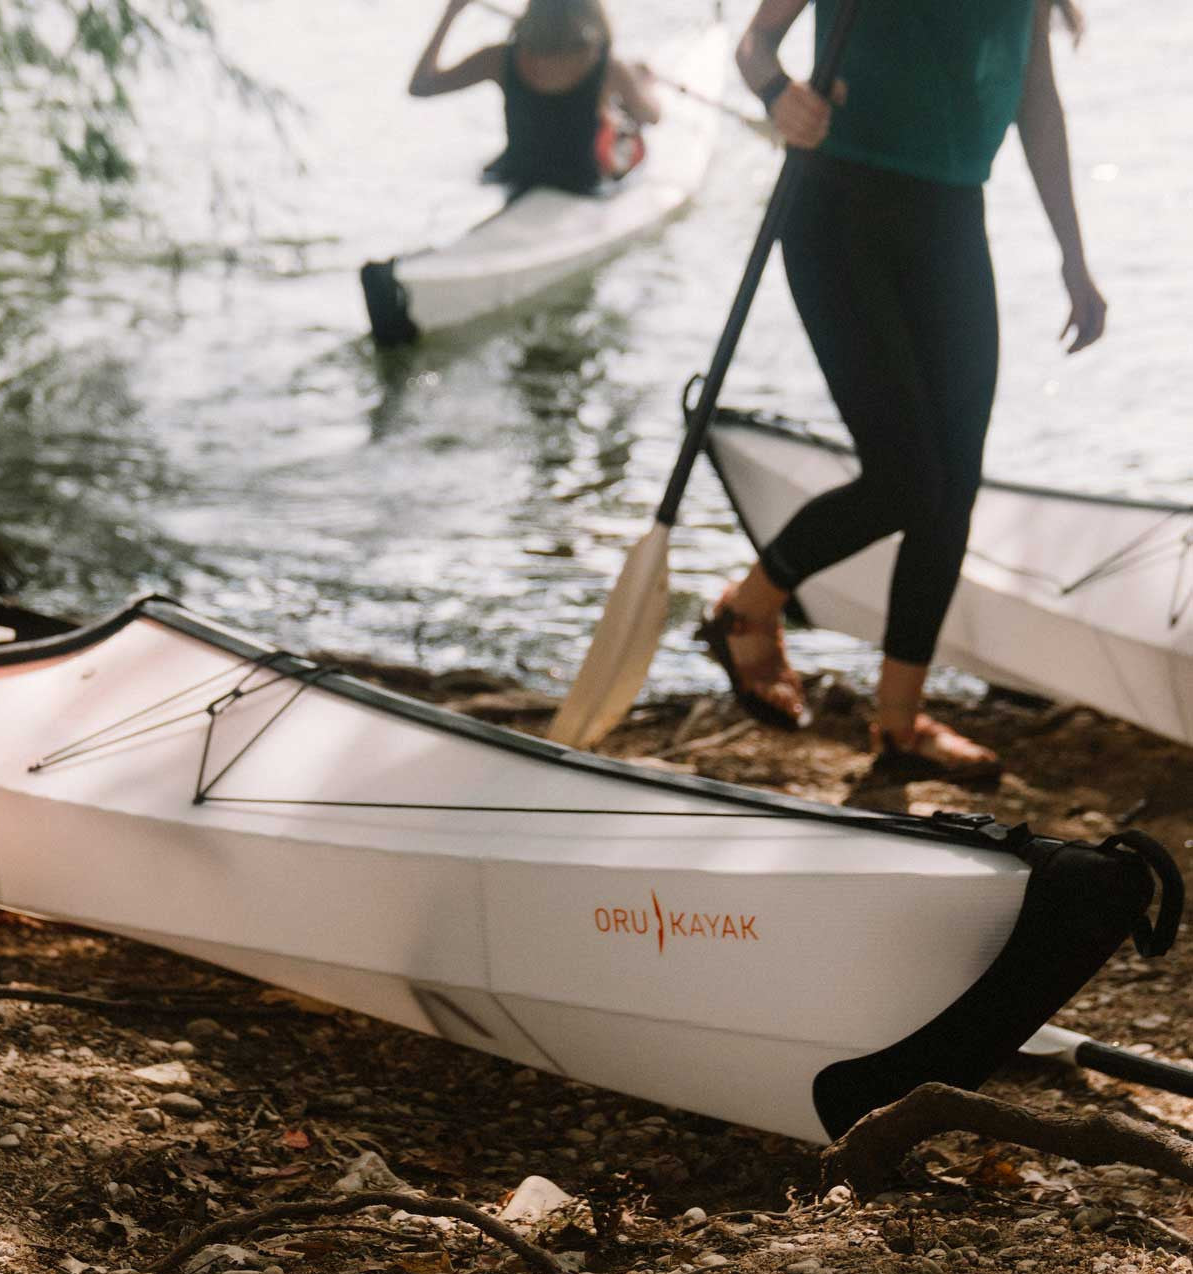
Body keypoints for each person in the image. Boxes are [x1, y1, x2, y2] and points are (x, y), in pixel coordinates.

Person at [700, 0, 1105, 777]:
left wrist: (1073, 255)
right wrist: (776, 92)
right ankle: (748, 608)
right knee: (907, 479)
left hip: (952, 222)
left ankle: (898, 724)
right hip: (838, 211)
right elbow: (756, 42)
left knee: (952, 489)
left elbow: (1037, 104)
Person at [408, 0, 662, 195]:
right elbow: (651, 115)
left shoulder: (498, 58)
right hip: (582, 184)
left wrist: (451, 13)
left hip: (516, 176)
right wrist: (643, 82)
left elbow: (421, 86)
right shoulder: (606, 66)